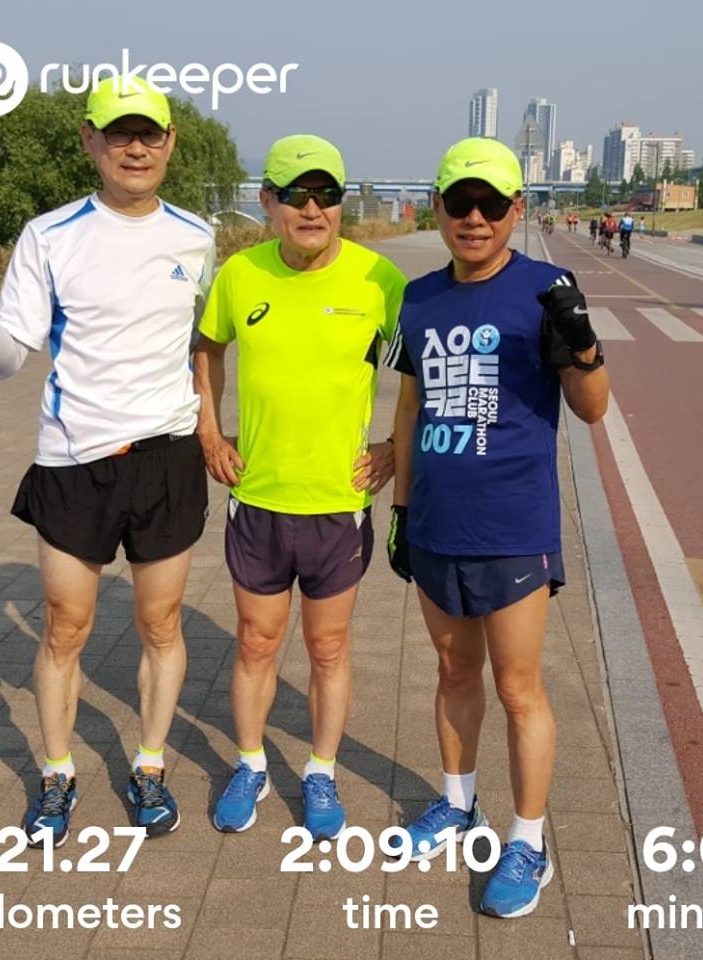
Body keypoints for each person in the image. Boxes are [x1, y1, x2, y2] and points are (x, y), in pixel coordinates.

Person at [0, 77, 215, 845]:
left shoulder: (198, 237)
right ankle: (56, 773)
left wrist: (218, 428)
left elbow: (207, 344)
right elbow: (4, 360)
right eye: (119, 132)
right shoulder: (50, 235)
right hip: (73, 461)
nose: (136, 147)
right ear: (90, 140)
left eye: (150, 133)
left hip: (167, 458)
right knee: (66, 626)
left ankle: (149, 766)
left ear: (169, 143)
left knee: (161, 623)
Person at [383, 137, 610, 918]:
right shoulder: (418, 299)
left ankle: (529, 842)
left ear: (517, 209)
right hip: (437, 524)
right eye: (460, 202)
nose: (474, 218)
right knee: (453, 673)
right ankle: (457, 803)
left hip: (514, 528)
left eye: (490, 204)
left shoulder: (546, 290)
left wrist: (584, 345)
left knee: (518, 689)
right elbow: (409, 409)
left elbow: (592, 408)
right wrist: (401, 510)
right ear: (438, 208)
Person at [193, 135, 406, 841]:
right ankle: (250, 764)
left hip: (337, 504)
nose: (312, 210)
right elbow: (207, 348)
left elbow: (421, 373)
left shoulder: (379, 280)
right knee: (256, 642)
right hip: (259, 497)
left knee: (328, 647)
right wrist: (209, 432)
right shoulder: (239, 274)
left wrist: (394, 448)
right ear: (268, 202)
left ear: (342, 203)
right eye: (296, 196)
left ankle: (321, 771)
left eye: (327, 195)